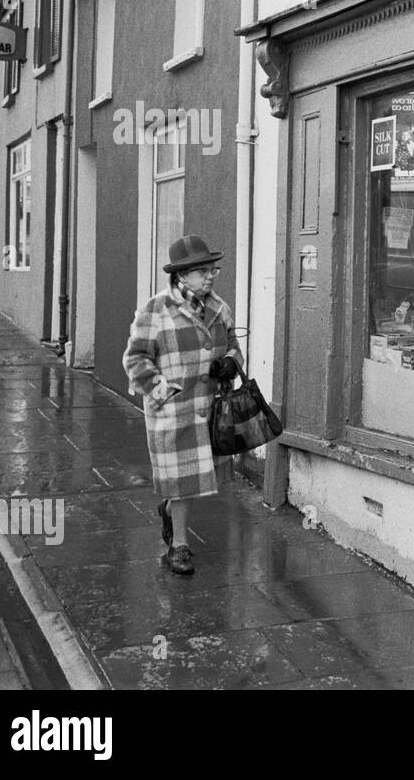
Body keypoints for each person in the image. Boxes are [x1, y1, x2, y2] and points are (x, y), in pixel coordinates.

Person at [123, 235, 242, 576]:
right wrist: (162, 393)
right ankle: (180, 545)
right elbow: (136, 360)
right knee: (182, 483)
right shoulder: (154, 310)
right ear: (181, 276)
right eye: (202, 271)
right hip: (173, 413)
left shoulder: (219, 308)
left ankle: (170, 512)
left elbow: (233, 345)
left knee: (196, 482)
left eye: (212, 270)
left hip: (209, 409)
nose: (210, 277)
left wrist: (231, 362)